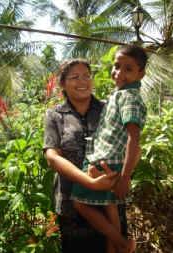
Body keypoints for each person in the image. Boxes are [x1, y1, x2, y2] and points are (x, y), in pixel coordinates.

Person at [43, 58, 130, 253]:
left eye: (86, 76)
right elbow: (52, 156)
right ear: (63, 84)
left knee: (113, 247)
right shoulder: (55, 115)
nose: (83, 81)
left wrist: (123, 176)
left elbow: (129, 141)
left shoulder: (110, 109)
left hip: (110, 194)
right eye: (75, 77)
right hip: (72, 206)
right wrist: (89, 182)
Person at [71, 45, 148, 253]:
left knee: (80, 203)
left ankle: (123, 245)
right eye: (116, 66)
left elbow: (134, 139)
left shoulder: (129, 98)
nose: (119, 73)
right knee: (110, 208)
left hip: (110, 161)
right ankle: (118, 247)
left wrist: (125, 177)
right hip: (108, 159)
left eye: (128, 69)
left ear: (141, 73)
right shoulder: (119, 94)